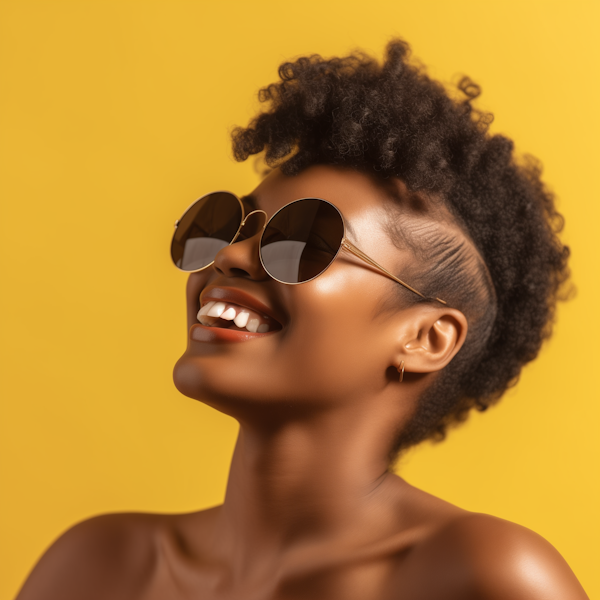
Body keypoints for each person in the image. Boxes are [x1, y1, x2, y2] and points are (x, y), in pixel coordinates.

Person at [16, 39, 588, 599]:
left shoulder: (485, 576)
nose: (231, 255)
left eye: (303, 241)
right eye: (231, 225)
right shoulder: (101, 568)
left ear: (425, 338)